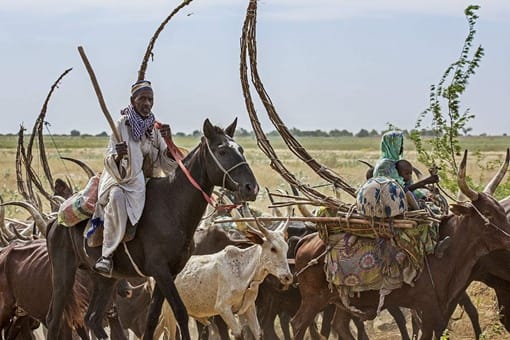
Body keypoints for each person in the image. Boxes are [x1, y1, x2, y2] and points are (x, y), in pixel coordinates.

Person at [93, 80, 177, 275]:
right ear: (133, 101)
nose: (147, 103)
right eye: (142, 99)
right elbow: (109, 158)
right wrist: (119, 156)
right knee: (116, 198)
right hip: (120, 179)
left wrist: (169, 141)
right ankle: (107, 255)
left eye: (150, 99)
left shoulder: (154, 128)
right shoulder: (121, 124)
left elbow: (166, 162)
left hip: (144, 180)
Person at [373, 131, 450, 258]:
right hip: (390, 202)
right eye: (398, 144)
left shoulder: (396, 163)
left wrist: (426, 190)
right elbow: (399, 190)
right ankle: (432, 247)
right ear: (391, 145)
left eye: (401, 144)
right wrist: (425, 182)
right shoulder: (385, 165)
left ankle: (439, 237)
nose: (401, 148)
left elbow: (408, 185)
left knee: (435, 201)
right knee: (425, 215)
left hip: (403, 197)